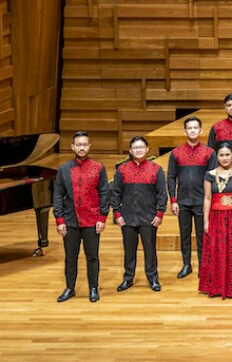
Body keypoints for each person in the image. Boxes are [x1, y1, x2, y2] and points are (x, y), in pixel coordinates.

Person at [54, 132, 110, 303]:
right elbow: (58, 195)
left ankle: (93, 287)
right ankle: (70, 288)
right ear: (72, 147)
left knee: (92, 256)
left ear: (89, 146)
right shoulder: (64, 169)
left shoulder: (98, 168)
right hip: (70, 221)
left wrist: (102, 218)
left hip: (92, 221)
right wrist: (59, 220)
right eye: (78, 144)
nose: (81, 147)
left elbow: (104, 194)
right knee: (71, 257)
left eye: (85, 144)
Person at [112, 136, 167, 293]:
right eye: (135, 148)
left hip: (148, 217)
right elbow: (115, 193)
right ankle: (128, 278)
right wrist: (117, 214)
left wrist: (159, 214)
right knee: (129, 250)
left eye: (141, 147)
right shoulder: (122, 169)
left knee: (150, 250)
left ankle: (153, 278)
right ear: (130, 150)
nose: (138, 150)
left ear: (147, 149)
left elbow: (162, 193)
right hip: (127, 217)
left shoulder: (155, 169)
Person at [198, 143, 232, 299]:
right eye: (221, 155)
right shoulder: (209, 175)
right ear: (217, 156)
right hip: (216, 216)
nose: (224, 158)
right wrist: (206, 220)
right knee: (216, 249)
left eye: (227, 155)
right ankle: (216, 286)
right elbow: (208, 198)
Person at [168, 116, 215, 279]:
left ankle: (204, 266)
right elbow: (171, 177)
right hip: (183, 202)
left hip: (202, 201)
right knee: (185, 235)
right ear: (185, 131)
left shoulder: (209, 153)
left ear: (201, 131)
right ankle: (186, 264)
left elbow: (213, 178)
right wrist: (173, 200)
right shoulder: (176, 153)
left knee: (203, 235)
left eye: (196, 128)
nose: (193, 130)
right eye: (190, 128)